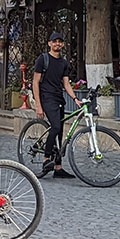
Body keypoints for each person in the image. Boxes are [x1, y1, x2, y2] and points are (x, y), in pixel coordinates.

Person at [32, 32, 82, 179]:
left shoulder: (64, 63)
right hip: (46, 98)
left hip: (59, 98)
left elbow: (66, 83)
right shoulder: (43, 59)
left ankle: (58, 167)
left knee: (59, 133)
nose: (57, 44)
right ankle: (47, 159)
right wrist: (38, 106)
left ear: (63, 45)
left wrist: (75, 98)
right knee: (55, 127)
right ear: (49, 43)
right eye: (54, 42)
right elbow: (35, 82)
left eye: (60, 42)